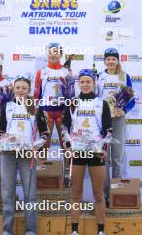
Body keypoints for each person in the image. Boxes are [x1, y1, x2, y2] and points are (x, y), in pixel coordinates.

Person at [61, 69, 112, 235]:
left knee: (98, 194)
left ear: (93, 83)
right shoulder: (72, 103)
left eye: (88, 81)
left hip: (96, 152)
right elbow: (65, 127)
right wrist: (68, 146)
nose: (85, 84)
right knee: (75, 193)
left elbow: (108, 129)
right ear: (78, 84)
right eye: (82, 82)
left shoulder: (101, 103)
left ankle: (101, 231)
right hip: (78, 152)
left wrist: (103, 149)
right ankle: (74, 230)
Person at [0, 76, 49, 235]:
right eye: (17, 88)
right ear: (14, 89)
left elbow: (45, 134)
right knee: (7, 193)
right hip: (8, 154)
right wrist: (3, 141)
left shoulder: (35, 107)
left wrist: (34, 147)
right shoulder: (7, 106)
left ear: (29, 90)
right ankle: (7, 230)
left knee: (30, 194)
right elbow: (0, 132)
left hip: (28, 155)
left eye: (24, 88)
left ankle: (31, 230)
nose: (20, 91)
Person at [97, 48, 135, 204]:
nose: (111, 61)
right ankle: (105, 195)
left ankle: (116, 194)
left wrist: (124, 109)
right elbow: (94, 97)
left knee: (117, 158)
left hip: (118, 120)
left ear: (118, 60)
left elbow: (132, 99)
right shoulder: (99, 76)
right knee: (104, 158)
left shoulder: (124, 76)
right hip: (103, 120)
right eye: (108, 59)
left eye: (113, 58)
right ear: (105, 61)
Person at [34, 43, 75, 158]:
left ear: (60, 54)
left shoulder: (67, 71)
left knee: (65, 143)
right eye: (51, 52)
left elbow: (71, 92)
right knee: (44, 144)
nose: (53, 55)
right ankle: (43, 171)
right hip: (46, 111)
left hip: (62, 111)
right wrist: (35, 108)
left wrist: (72, 107)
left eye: (56, 52)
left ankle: (67, 172)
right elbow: (37, 93)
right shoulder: (41, 72)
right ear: (47, 54)